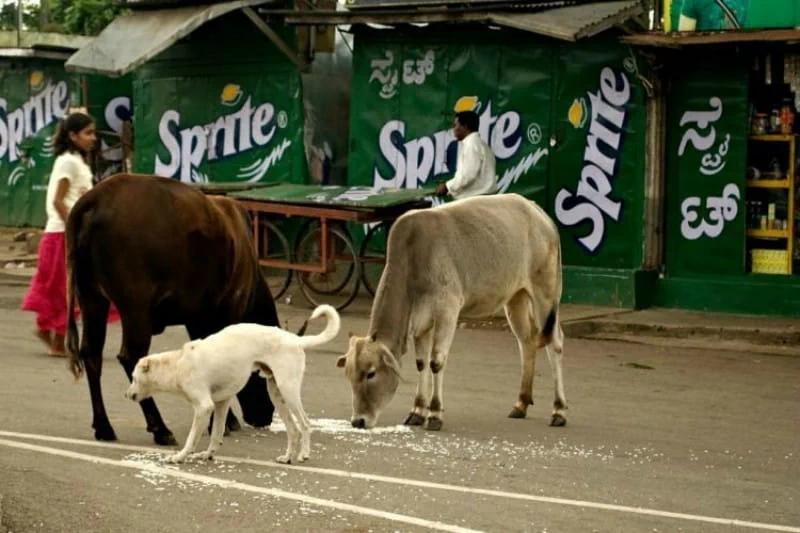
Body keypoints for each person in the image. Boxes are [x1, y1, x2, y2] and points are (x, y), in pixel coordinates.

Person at [22, 112, 119, 357]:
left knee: (68, 288)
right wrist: (74, 228)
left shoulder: (76, 161)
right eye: (87, 133)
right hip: (61, 234)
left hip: (68, 234)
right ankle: (57, 342)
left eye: (93, 132)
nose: (93, 138)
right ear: (72, 135)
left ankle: (52, 336)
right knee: (66, 289)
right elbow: (58, 201)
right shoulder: (68, 162)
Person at [435, 110, 497, 200]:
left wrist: (447, 186)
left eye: (455, 125)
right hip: (482, 199)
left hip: (476, 201)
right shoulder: (480, 144)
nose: (453, 129)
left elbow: (468, 175)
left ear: (465, 126)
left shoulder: (471, 145)